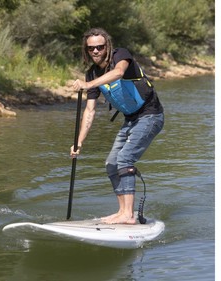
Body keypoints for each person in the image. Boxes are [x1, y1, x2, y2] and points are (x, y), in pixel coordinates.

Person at [71, 27, 164, 224]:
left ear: (107, 46)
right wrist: (78, 142)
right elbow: (89, 111)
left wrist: (89, 85)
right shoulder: (92, 74)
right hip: (131, 119)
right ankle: (122, 211)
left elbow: (119, 73)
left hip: (151, 116)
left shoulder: (120, 55)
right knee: (111, 163)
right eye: (91, 48)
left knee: (125, 158)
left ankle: (128, 215)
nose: (95, 51)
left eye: (100, 47)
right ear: (86, 50)